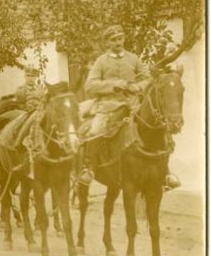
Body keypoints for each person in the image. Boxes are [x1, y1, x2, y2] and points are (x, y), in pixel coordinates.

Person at [77, 25, 180, 189]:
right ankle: (89, 169)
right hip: (108, 105)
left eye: (120, 38)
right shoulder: (101, 61)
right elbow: (89, 85)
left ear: (124, 38)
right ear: (107, 43)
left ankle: (165, 172)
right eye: (113, 40)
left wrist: (139, 86)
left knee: (156, 126)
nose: (118, 42)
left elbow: (147, 78)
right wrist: (115, 85)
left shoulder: (133, 58)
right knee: (96, 130)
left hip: (133, 104)